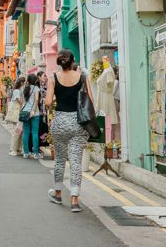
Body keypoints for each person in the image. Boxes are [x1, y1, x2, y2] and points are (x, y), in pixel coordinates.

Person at [45, 49, 94, 213]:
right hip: (78, 123)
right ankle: (74, 199)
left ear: (59, 62)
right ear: (72, 61)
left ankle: (58, 193)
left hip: (60, 122)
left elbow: (47, 102)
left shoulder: (53, 78)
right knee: (75, 161)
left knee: (59, 160)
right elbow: (91, 101)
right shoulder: (82, 78)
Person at [21, 73, 41, 159]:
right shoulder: (36, 88)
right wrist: (33, 110)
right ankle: (36, 153)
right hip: (34, 113)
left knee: (25, 132)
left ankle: (26, 152)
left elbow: (22, 101)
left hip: (25, 112)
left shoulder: (24, 88)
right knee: (35, 133)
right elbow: (36, 100)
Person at [8, 76, 25, 156]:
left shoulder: (18, 90)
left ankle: (18, 148)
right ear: (22, 83)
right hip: (17, 113)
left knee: (20, 131)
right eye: (24, 83)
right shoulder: (17, 91)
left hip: (18, 112)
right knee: (17, 131)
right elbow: (20, 101)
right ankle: (13, 149)